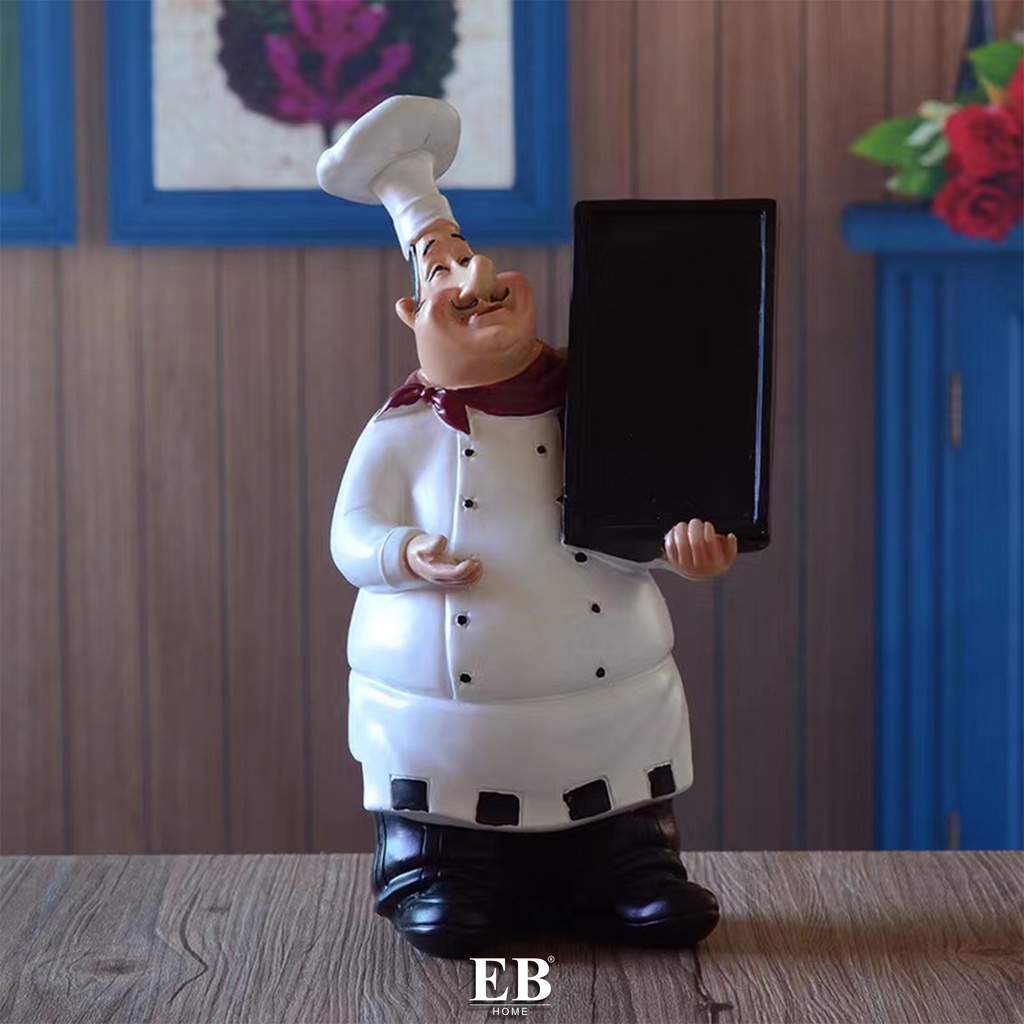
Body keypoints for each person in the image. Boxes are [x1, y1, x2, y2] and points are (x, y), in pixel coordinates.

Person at [318, 97, 738, 959]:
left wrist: (685, 549)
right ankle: (439, 873)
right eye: (440, 273)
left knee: (613, 800)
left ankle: (628, 868)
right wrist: (402, 552)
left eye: (469, 258)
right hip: (444, 713)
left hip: (606, 694)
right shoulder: (404, 430)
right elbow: (350, 532)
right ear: (413, 315)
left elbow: (646, 509)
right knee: (449, 808)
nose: (470, 280)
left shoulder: (598, 403)